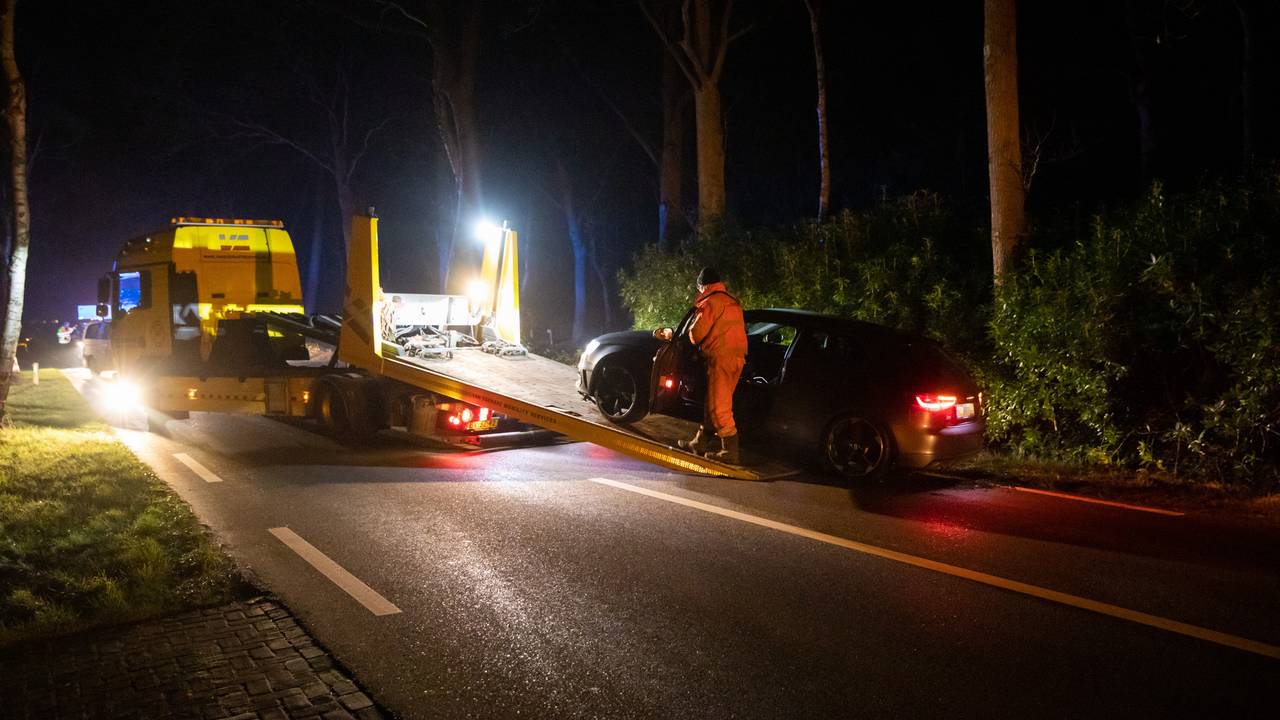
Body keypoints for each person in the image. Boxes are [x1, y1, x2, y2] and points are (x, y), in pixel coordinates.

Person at [678, 266, 748, 464]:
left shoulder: (710, 302)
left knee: (719, 406)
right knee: (714, 401)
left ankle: (730, 451)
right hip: (737, 359)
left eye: (699, 287)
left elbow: (696, 334)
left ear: (703, 285)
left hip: (721, 359)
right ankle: (699, 442)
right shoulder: (732, 301)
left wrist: (690, 331)